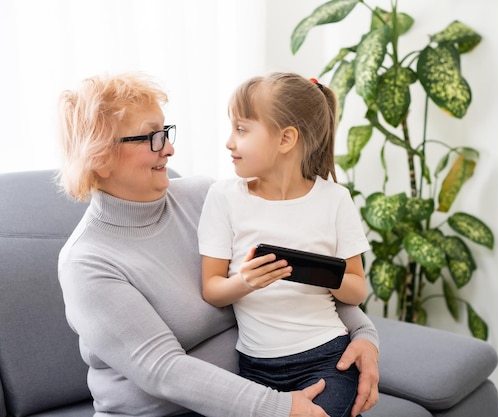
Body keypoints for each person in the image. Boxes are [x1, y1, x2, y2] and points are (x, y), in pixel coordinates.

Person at [56, 72, 379, 417]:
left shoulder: (203, 197)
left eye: (165, 132)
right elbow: (163, 370)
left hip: (267, 388)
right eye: (151, 137)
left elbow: (298, 273)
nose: (169, 147)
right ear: (100, 156)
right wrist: (280, 408)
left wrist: (363, 336)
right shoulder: (87, 263)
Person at [198, 72, 371, 417]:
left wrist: (321, 272)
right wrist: (245, 281)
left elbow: (356, 290)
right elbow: (212, 289)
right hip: (255, 370)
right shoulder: (223, 197)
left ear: (286, 139)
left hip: (325, 358)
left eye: (242, 130)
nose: (230, 142)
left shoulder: (335, 200)